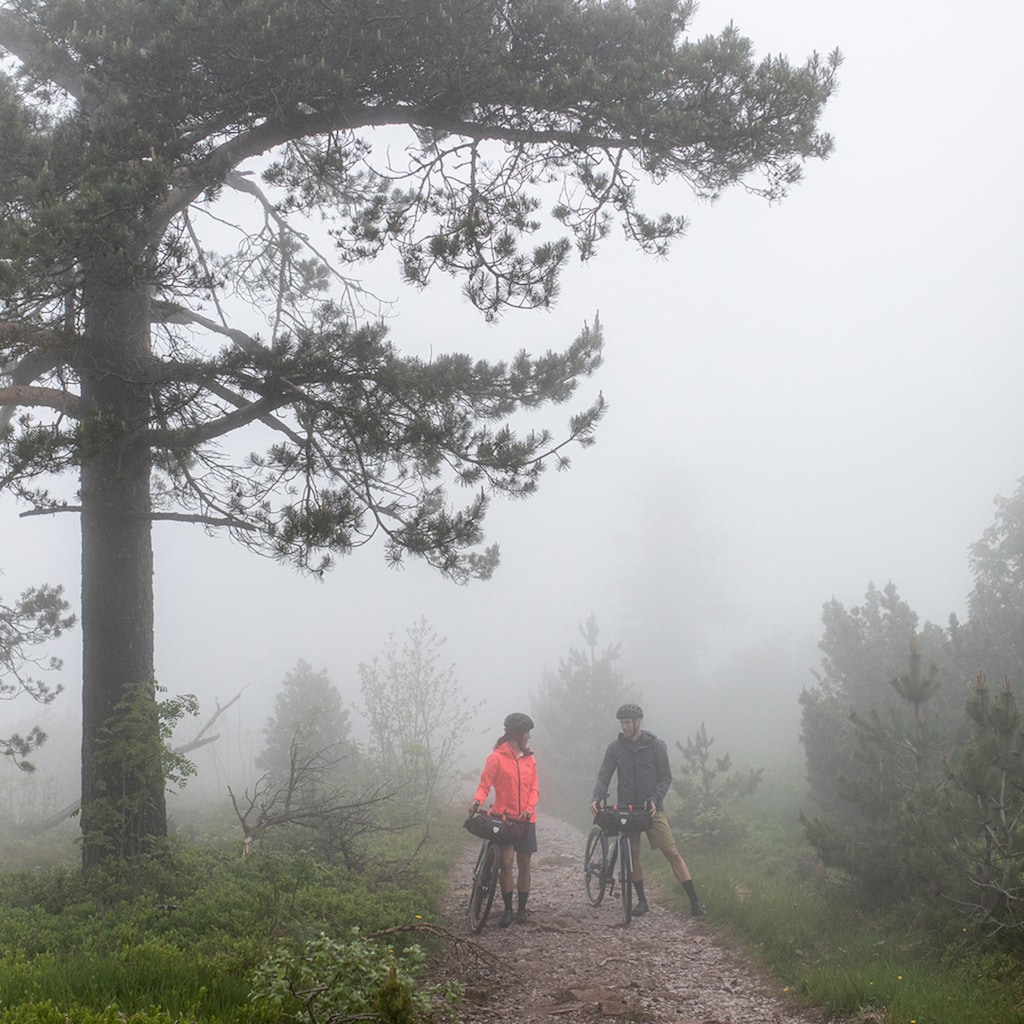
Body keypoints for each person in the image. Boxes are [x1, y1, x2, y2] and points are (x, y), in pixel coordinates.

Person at [589, 702, 705, 917]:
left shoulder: (656, 746)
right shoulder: (615, 748)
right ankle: (641, 901)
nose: (623, 727)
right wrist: (597, 796)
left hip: (652, 808)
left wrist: (654, 798)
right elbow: (604, 775)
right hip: (626, 808)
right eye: (621, 723)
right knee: (632, 856)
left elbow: (665, 778)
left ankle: (695, 901)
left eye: (627, 723)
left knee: (672, 853)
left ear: (638, 723)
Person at [470, 712, 539, 927]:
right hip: (504, 818)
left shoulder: (529, 759)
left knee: (524, 863)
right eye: (526, 733)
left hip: (526, 820)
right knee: (507, 863)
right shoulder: (496, 758)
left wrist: (528, 809)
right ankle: (507, 910)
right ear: (516, 734)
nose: (528, 736)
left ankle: (521, 910)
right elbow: (484, 785)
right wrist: (477, 802)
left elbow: (534, 788)